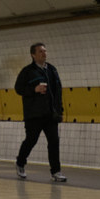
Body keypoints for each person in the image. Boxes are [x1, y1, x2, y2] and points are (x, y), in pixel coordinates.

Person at [14, 43, 66, 182]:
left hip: (50, 114)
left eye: (45, 51)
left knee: (54, 142)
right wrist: (34, 89)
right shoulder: (27, 71)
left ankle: (56, 171)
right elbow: (18, 89)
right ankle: (20, 162)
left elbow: (58, 91)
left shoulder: (52, 70)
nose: (44, 53)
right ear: (33, 55)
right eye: (40, 51)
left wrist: (59, 110)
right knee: (31, 140)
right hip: (34, 114)